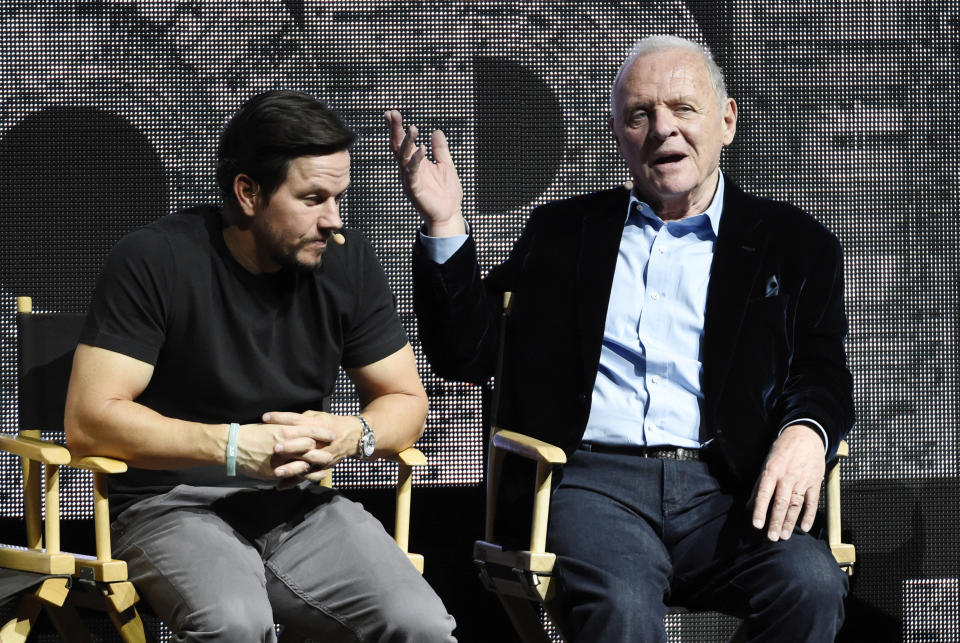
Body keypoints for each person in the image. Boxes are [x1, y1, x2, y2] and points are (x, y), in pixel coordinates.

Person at [392, 35, 853, 642]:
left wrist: (806, 431)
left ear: (726, 120)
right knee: (622, 604)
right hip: (591, 486)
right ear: (618, 135)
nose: (664, 129)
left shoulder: (794, 243)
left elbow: (820, 367)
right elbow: (467, 353)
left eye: (683, 109)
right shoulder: (563, 232)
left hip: (726, 487)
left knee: (812, 585)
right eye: (640, 115)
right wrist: (445, 224)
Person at [64, 90, 456, 642]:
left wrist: (355, 433)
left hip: (299, 507)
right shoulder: (156, 259)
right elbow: (89, 422)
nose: (334, 220)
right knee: (235, 626)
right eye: (313, 198)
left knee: (422, 627)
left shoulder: (347, 264)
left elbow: (406, 402)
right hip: (170, 504)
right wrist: (230, 447)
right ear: (248, 192)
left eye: (339, 197)